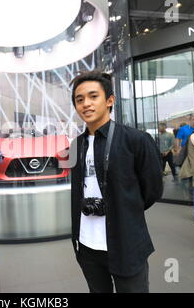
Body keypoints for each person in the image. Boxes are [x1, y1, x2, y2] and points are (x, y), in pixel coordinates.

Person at [69, 70, 163, 293]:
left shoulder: (136, 140)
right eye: (79, 99)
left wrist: (123, 208)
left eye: (93, 96)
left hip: (125, 242)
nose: (86, 104)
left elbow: (152, 190)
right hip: (87, 245)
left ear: (110, 100)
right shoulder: (75, 146)